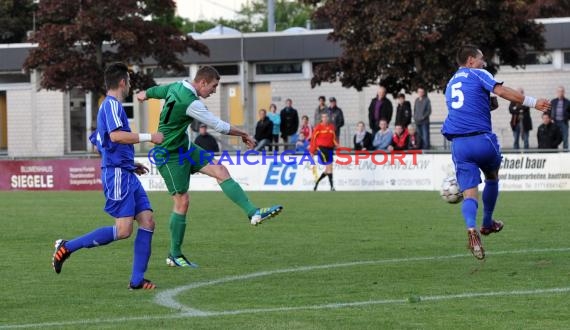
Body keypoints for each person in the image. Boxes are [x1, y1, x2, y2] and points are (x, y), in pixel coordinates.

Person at [136, 66, 283, 268]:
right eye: (213, 86)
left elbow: (157, 90)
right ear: (202, 82)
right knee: (182, 202)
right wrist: (244, 134)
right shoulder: (191, 102)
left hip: (184, 147)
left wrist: (144, 94)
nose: (213, 91)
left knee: (220, 170)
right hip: (168, 154)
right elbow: (219, 125)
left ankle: (253, 212)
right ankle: (174, 255)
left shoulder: (177, 86)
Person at [52, 62, 164, 289]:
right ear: (122, 82)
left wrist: (128, 163)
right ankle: (67, 246)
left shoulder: (109, 108)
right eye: (129, 81)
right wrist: (150, 136)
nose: (130, 85)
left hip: (125, 173)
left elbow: (98, 144)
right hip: (118, 177)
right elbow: (115, 136)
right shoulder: (111, 105)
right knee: (123, 230)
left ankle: (136, 280)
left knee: (148, 222)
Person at [441, 45, 550, 260]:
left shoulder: (451, 83)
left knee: (469, 193)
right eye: (481, 59)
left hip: (459, 145)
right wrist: (533, 102)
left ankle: (471, 228)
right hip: (481, 139)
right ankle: (488, 223)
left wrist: (485, 105)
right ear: (471, 60)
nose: (484, 63)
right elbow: (500, 91)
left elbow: (464, 108)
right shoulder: (478, 73)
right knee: (492, 176)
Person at [310, 113, 338, 191]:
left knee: (328, 170)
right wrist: (312, 151)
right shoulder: (318, 127)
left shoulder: (331, 127)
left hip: (330, 149)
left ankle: (317, 183)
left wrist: (336, 144)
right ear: (321, 118)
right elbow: (313, 139)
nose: (325, 118)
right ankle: (332, 187)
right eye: (323, 117)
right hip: (321, 149)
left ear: (328, 118)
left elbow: (333, 138)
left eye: (326, 117)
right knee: (329, 168)